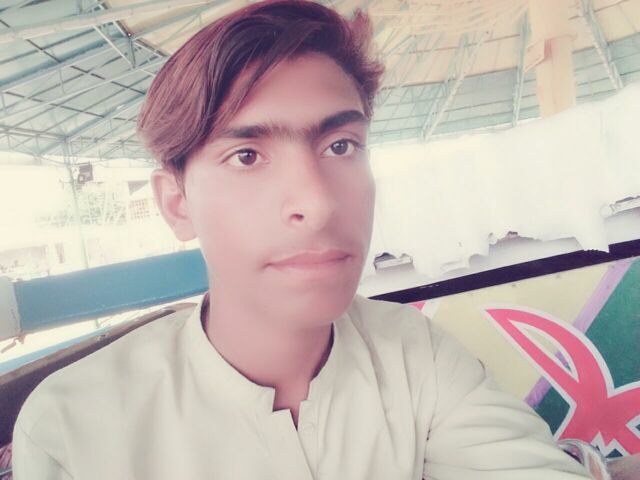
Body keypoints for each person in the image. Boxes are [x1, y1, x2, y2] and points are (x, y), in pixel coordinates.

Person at [12, 1, 594, 479]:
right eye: (247, 156)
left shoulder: (416, 356)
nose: (318, 204)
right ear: (177, 203)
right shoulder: (74, 427)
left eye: (341, 146)